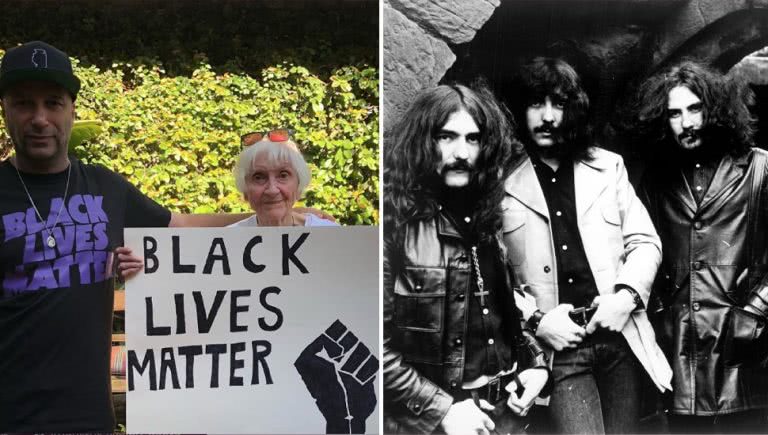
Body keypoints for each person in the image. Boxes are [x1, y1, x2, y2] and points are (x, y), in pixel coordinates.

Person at [0, 40, 252, 432]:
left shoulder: (106, 187)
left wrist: (268, 219)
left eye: (52, 102)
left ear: (71, 110)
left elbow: (179, 226)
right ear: (5, 109)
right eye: (23, 103)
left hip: (91, 419)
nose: (39, 118)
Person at [498, 57, 672, 433]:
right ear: (519, 110)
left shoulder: (609, 168)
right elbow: (492, 275)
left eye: (558, 104)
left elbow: (645, 242)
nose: (547, 117)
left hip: (620, 338)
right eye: (535, 104)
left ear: (574, 110)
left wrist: (624, 297)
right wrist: (538, 321)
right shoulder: (500, 183)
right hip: (557, 350)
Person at [383, 82, 551, 435]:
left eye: (473, 139)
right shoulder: (392, 225)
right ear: (423, 142)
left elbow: (506, 313)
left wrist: (535, 365)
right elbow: (371, 346)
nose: (462, 152)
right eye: (447, 137)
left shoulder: (488, 219)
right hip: (433, 424)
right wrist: (443, 412)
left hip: (503, 415)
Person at [634, 60, 768, 433]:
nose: (687, 122)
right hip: (680, 358)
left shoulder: (760, 168)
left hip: (744, 356)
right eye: (675, 114)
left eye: (695, 109)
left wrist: (757, 311)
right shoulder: (656, 180)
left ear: (716, 110)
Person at [229, 131, 337, 227]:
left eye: (283, 175)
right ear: (245, 190)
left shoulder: (328, 232)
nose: (272, 190)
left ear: (298, 185)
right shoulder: (228, 240)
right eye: (259, 177)